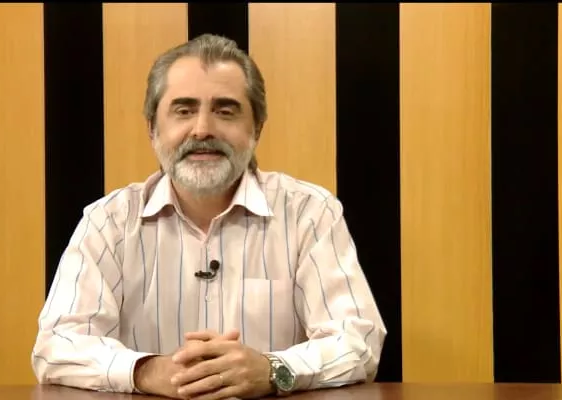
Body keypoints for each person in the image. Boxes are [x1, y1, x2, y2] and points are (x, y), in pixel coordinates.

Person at [31, 33, 386, 399]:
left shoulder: (308, 213)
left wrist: (273, 369)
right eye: (183, 110)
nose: (203, 129)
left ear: (256, 128)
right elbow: (56, 346)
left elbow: (358, 341)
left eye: (225, 111)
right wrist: (146, 371)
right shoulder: (108, 223)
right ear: (152, 128)